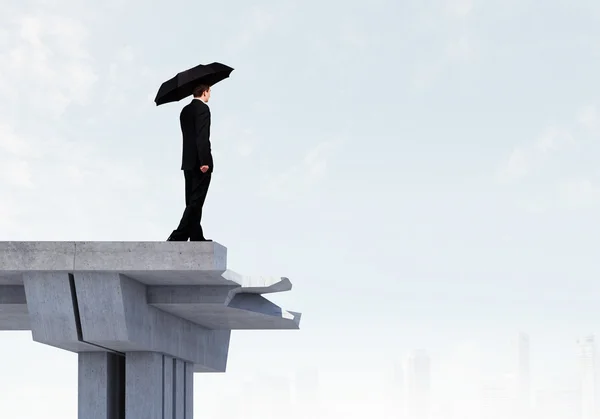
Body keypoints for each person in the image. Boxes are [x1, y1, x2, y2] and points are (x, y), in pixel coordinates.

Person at [167, 84, 213, 242]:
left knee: (192, 201)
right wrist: (205, 161)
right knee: (196, 202)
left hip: (187, 162)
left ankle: (195, 236)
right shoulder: (203, 110)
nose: (210, 95)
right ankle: (178, 235)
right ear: (204, 92)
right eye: (209, 92)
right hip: (200, 163)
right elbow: (202, 136)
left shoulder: (184, 111)